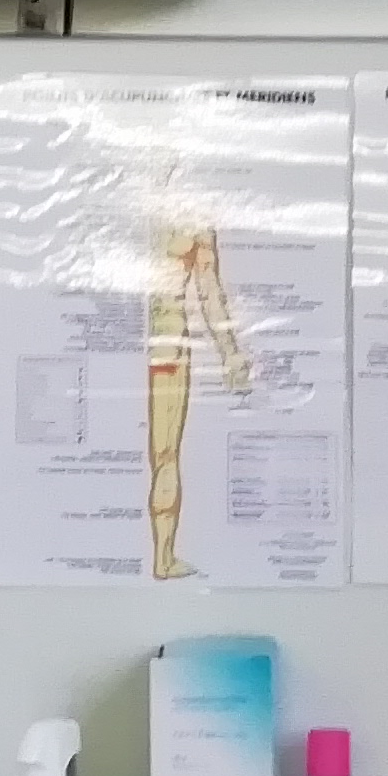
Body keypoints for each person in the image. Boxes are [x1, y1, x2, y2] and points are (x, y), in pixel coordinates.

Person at [144, 213, 253, 581]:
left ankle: (163, 558)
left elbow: (208, 289)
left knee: (165, 456)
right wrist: (230, 353)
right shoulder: (194, 216)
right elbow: (208, 291)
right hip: (165, 345)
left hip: (159, 343)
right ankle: (163, 559)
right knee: (165, 455)